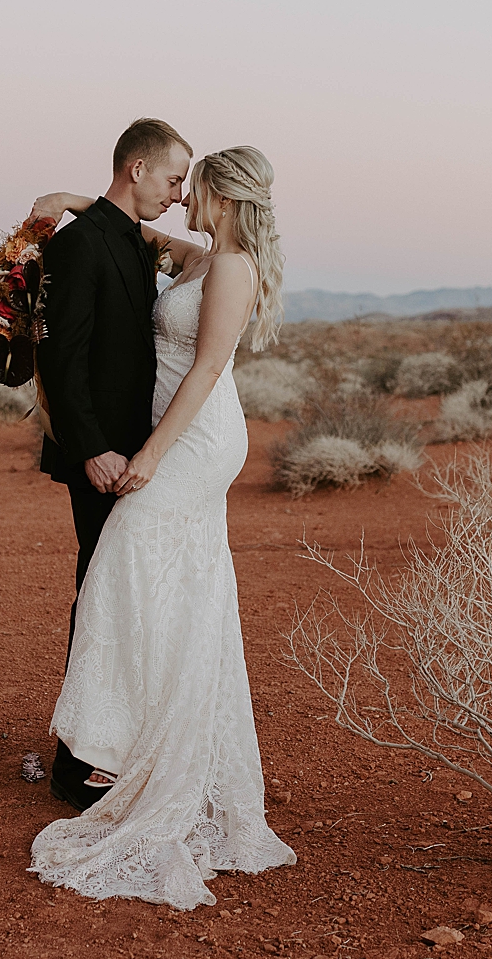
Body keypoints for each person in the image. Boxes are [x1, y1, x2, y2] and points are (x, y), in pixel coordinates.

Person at [25, 144, 296, 909]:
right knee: (164, 584)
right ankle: (137, 743)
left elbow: (207, 372)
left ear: (225, 196)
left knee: (124, 563)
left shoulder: (234, 271)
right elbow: (139, 232)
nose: (183, 199)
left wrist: (147, 454)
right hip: (181, 440)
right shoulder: (206, 256)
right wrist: (72, 201)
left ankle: (123, 750)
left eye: (194, 187)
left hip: (195, 443)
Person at [31, 118, 192, 811]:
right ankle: (78, 762)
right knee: (97, 591)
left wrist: (71, 195)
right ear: (137, 170)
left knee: (121, 592)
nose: (180, 193)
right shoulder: (80, 246)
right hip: (101, 455)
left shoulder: (126, 239)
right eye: (174, 178)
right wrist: (90, 448)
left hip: (134, 454)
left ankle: (111, 738)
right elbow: (59, 359)